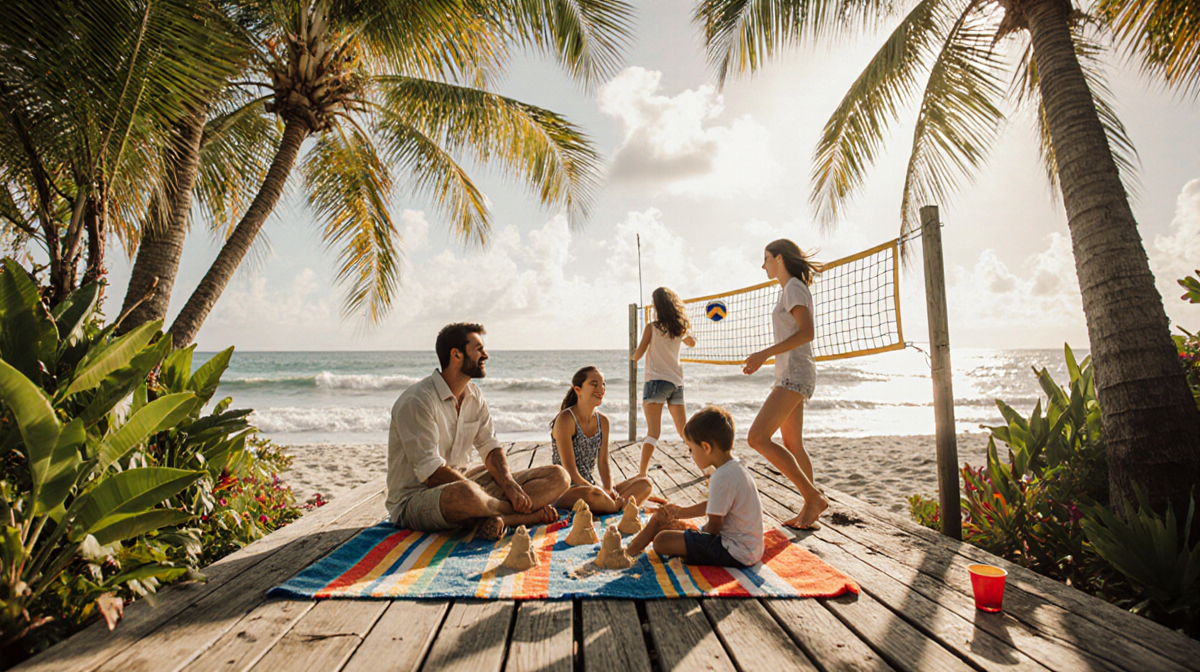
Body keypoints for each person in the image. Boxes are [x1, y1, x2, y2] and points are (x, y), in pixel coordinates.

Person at [386, 323, 570, 539]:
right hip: (417, 499)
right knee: (467, 494)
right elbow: (431, 472)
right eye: (479, 349)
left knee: (559, 476)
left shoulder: (474, 395)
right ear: (456, 354)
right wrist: (483, 494)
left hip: (467, 485)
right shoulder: (418, 400)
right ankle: (522, 517)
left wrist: (508, 483)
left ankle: (496, 515)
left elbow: (490, 448)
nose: (486, 355)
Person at [742, 239, 827, 529]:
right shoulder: (790, 289)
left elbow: (807, 332)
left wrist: (764, 353)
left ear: (779, 258)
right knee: (792, 443)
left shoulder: (792, 287)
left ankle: (812, 498)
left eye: (765, 258)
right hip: (793, 373)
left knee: (757, 438)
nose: (762, 264)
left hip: (795, 373)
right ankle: (809, 511)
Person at [625, 406, 763, 567]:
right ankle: (631, 550)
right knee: (663, 523)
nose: (691, 455)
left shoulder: (722, 477)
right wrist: (681, 513)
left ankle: (628, 553)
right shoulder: (736, 467)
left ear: (705, 447)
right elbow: (716, 505)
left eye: (691, 449)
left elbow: (714, 528)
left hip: (734, 552)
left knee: (662, 540)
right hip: (751, 549)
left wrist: (694, 533)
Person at [551, 366, 653, 513]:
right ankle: (619, 508)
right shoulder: (566, 419)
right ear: (578, 390)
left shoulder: (603, 421)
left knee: (645, 483)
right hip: (569, 490)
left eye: (603, 384)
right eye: (594, 384)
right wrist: (600, 492)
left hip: (593, 488)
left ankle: (614, 506)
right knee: (595, 495)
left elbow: (603, 463)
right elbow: (570, 471)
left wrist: (610, 490)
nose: (601, 389)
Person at [630, 286, 696, 477]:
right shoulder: (680, 327)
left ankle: (642, 473)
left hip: (657, 382)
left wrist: (631, 355)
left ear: (657, 306)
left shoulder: (652, 327)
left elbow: (638, 354)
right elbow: (692, 343)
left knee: (653, 432)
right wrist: (686, 330)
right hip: (676, 382)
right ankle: (707, 469)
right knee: (684, 432)